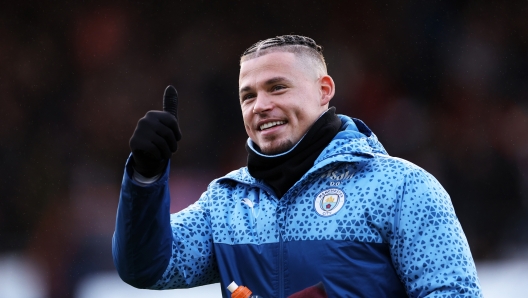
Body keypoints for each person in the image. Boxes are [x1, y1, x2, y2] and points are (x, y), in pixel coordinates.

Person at [112, 35, 483, 297]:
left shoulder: (401, 187)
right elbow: (147, 268)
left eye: (277, 88)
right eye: (248, 95)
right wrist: (146, 176)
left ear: (324, 91)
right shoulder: (224, 204)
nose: (260, 105)